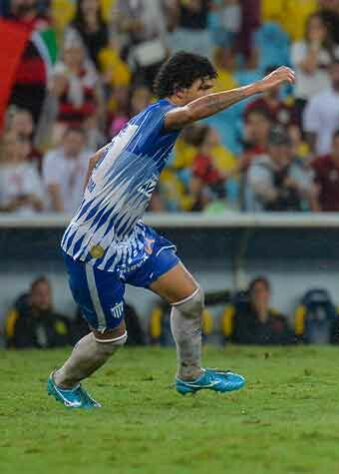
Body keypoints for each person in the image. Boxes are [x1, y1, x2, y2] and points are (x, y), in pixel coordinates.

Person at [48, 51, 295, 409]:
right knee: (111, 339)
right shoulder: (164, 116)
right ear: (179, 90)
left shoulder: (144, 119)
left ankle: (190, 374)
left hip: (127, 236)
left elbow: (95, 159)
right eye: (202, 89)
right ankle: (63, 382)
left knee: (190, 298)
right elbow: (196, 111)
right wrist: (258, 87)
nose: (207, 95)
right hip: (93, 247)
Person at [244, 127, 315, 212]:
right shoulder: (259, 165)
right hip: (260, 219)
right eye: (276, 145)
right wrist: (283, 187)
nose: (281, 149)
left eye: (284, 144)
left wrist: (296, 186)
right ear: (269, 146)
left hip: (289, 219)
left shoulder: (292, 165)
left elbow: (310, 190)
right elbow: (266, 193)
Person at [223, 277, 296, 345]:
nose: (259, 295)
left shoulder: (280, 319)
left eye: (261, 291)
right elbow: (246, 342)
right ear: (250, 296)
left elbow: (289, 342)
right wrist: (261, 316)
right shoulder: (239, 318)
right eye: (255, 291)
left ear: (268, 294)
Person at [4, 276, 72, 349]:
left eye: (47, 294)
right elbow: (22, 346)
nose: (44, 298)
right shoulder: (22, 322)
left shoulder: (61, 321)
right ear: (31, 297)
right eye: (39, 294)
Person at [42, 126, 91, 213]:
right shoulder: (52, 157)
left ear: (84, 143)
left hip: (81, 214)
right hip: (56, 214)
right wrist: (62, 215)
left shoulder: (89, 158)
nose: (74, 145)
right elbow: (53, 188)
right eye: (71, 141)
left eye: (78, 142)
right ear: (63, 140)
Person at [0, 132, 46, 214]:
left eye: (15, 143)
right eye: (8, 143)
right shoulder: (2, 171)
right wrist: (16, 203)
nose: (11, 147)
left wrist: (32, 199)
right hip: (7, 222)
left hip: (32, 220)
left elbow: (42, 203)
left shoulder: (30, 169)